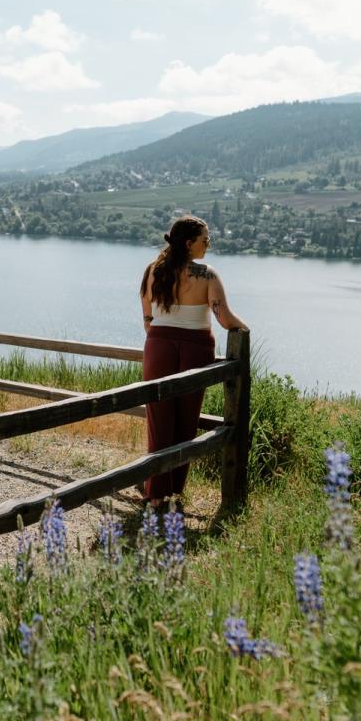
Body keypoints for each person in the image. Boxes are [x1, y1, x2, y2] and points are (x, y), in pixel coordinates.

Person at [139, 215, 244, 506]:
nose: (208, 243)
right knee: (186, 422)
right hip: (196, 347)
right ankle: (172, 491)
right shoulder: (207, 274)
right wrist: (244, 328)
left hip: (158, 344)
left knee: (159, 419)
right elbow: (224, 317)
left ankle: (155, 493)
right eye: (204, 239)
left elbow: (147, 318)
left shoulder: (152, 271)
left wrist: (161, 332)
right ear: (189, 243)